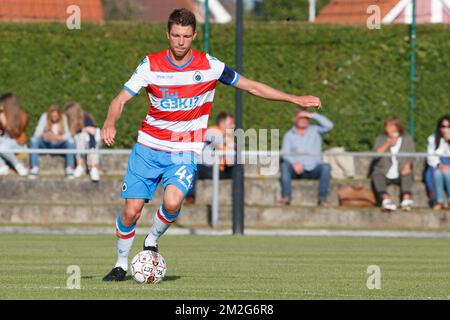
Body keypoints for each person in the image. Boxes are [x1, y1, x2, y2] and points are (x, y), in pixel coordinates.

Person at [101, 8, 321, 281]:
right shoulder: (150, 65)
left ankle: (152, 239)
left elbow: (251, 86)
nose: (180, 42)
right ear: (167, 34)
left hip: (184, 148)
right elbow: (119, 100)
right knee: (131, 210)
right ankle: (121, 264)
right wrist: (110, 121)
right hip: (148, 148)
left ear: (194, 36)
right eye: (175, 35)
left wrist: (293, 98)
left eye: (186, 36)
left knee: (172, 202)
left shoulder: (210, 66)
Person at [278, 108, 333, 206]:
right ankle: (286, 197)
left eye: (306, 118)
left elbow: (329, 125)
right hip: (296, 170)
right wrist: (294, 163)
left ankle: (322, 199)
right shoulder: (289, 135)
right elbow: (285, 153)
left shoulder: (316, 130)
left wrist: (312, 115)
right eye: (301, 118)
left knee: (326, 167)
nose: (303, 120)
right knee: (284, 166)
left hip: (313, 168)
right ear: (295, 119)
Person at [185, 112, 235, 204]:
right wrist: (229, 142)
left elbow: (230, 159)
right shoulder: (212, 131)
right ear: (222, 123)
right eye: (230, 123)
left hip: (221, 168)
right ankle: (190, 197)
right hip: (207, 167)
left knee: (238, 169)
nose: (233, 126)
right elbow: (220, 145)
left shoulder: (228, 138)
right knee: (194, 168)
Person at [371, 116, 415, 212]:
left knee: (407, 173)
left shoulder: (407, 139)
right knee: (377, 174)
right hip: (384, 170)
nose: (389, 129)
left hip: (400, 170)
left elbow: (412, 155)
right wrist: (388, 144)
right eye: (388, 126)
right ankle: (386, 200)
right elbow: (375, 155)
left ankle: (406, 200)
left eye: (392, 126)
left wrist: (408, 165)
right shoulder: (381, 139)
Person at [29, 104, 76, 179]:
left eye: (56, 116)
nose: (54, 118)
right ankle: (34, 168)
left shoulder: (63, 118)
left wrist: (60, 137)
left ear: (59, 115)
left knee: (70, 141)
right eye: (52, 116)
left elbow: (68, 134)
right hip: (46, 143)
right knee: (34, 140)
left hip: (59, 143)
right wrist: (44, 135)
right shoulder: (44, 116)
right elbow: (36, 133)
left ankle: (69, 168)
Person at [65, 102, 101, 182]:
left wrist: (92, 146)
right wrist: (83, 130)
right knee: (81, 136)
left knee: (89, 136)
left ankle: (93, 167)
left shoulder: (86, 118)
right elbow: (72, 133)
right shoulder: (68, 121)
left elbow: (92, 132)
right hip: (78, 141)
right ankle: (80, 165)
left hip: (90, 141)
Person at [0, 93, 29, 176]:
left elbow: (17, 133)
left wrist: (5, 123)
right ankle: (2, 166)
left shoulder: (22, 115)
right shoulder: (2, 114)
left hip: (18, 143)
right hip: (4, 141)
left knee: (2, 147)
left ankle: (18, 165)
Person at [425, 115, 450, 210]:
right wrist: (440, 165)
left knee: (448, 174)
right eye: (443, 126)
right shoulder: (432, 139)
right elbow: (431, 157)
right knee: (437, 174)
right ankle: (438, 201)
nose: (446, 129)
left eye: (448, 126)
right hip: (437, 165)